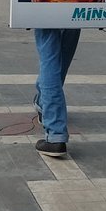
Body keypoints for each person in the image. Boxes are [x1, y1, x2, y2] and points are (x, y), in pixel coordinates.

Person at [32, 29, 81, 159]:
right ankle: (43, 103)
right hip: (75, 8)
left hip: (46, 9)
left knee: (49, 58)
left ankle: (55, 134)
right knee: (65, 47)